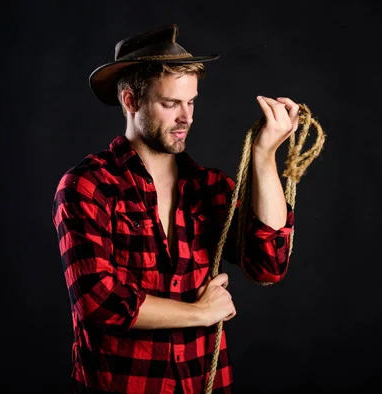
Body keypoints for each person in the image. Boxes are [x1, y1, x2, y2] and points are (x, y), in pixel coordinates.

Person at [52, 23, 297, 394]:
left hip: (204, 384)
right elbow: (98, 302)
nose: (187, 117)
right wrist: (201, 313)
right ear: (131, 101)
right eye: (170, 104)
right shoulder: (88, 185)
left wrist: (265, 156)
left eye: (191, 101)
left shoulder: (209, 188)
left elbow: (269, 264)